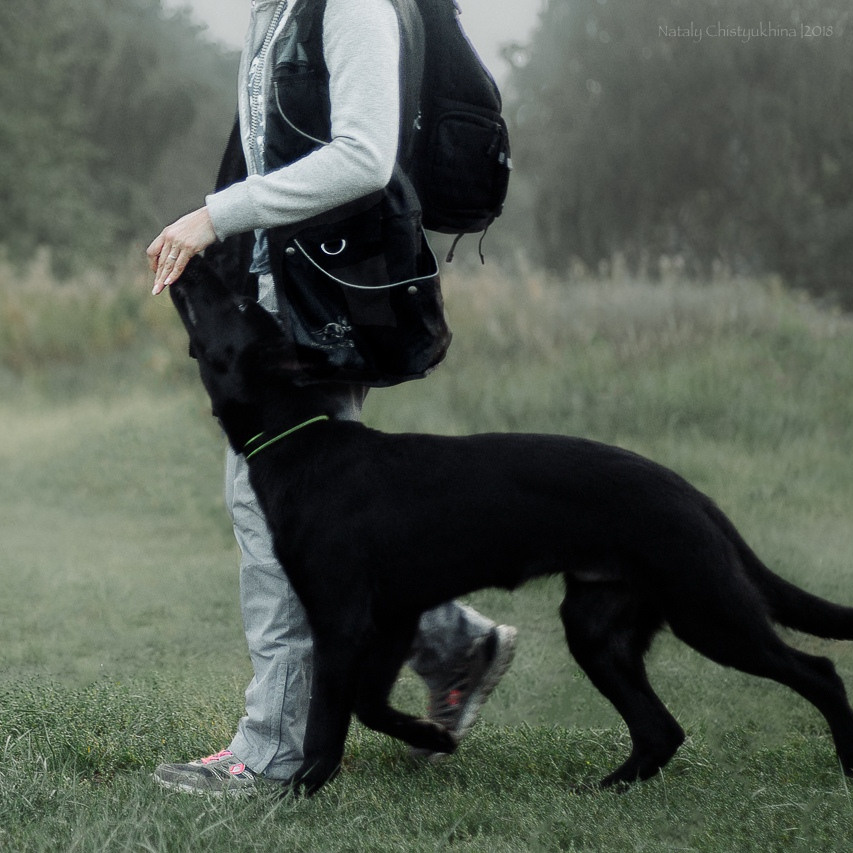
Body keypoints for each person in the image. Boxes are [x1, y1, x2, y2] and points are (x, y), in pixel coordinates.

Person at [147, 0, 516, 796]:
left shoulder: (349, 7)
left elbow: (362, 158)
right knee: (320, 525)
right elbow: (268, 153)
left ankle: (273, 751)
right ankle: (453, 644)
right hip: (278, 300)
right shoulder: (275, 11)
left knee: (280, 521)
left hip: (322, 307)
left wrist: (213, 217)